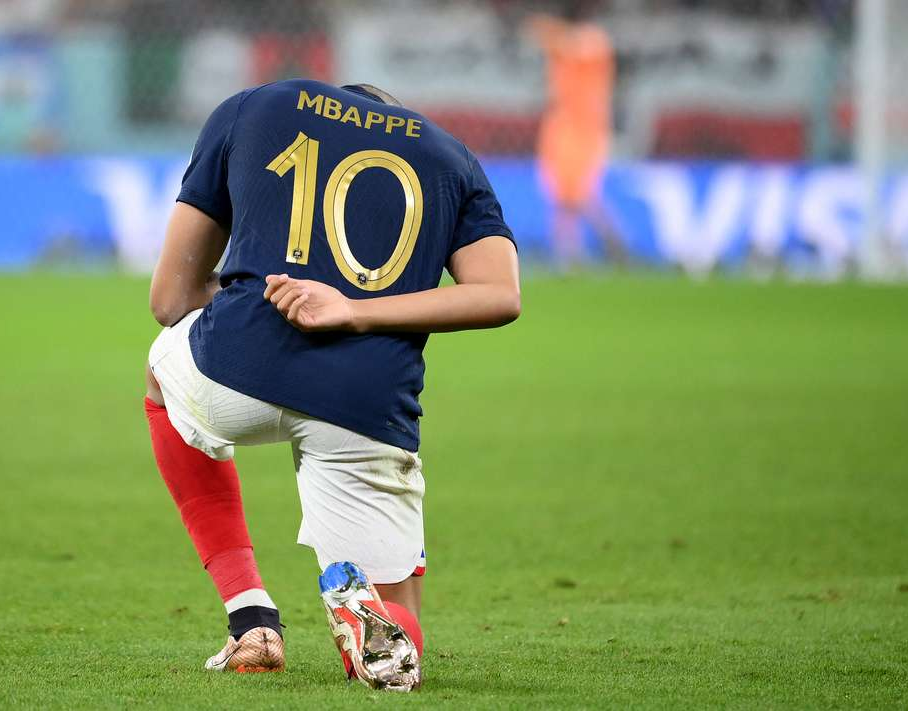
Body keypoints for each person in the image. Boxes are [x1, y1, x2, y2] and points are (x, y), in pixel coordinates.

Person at [142, 79, 519, 691]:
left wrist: (250, 293)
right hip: (366, 402)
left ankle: (249, 614)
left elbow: (170, 300)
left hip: (235, 366)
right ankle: (370, 623)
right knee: (398, 618)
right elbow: (500, 295)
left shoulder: (253, 108)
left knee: (161, 373)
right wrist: (354, 310)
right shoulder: (451, 158)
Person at [526, 11, 625, 265]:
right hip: (561, 126)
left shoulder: (593, 40)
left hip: (587, 129)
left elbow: (575, 47)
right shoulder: (561, 49)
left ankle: (613, 243)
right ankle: (568, 255)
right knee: (560, 196)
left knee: (581, 194)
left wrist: (548, 30)